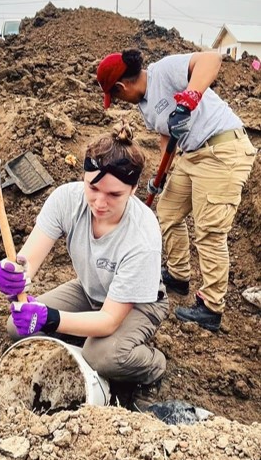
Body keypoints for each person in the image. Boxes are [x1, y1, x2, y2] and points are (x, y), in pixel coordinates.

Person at [0, 121, 169, 412]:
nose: (100, 202)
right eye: (94, 188)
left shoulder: (142, 235)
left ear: (134, 189)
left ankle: (153, 367)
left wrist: (50, 318)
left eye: (114, 195)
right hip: (91, 288)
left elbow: (110, 320)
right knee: (18, 326)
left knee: (101, 356)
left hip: (140, 303)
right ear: (84, 177)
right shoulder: (67, 199)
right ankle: (82, 335)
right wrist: (13, 273)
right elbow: (28, 259)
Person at [96, 50, 257, 333]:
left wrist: (189, 100)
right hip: (191, 155)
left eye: (116, 97)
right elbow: (166, 136)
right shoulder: (144, 106)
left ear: (121, 88)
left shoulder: (164, 71)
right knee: (168, 210)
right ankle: (178, 275)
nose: (120, 101)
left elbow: (212, 59)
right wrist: (162, 174)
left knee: (209, 231)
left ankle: (211, 308)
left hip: (222, 149)